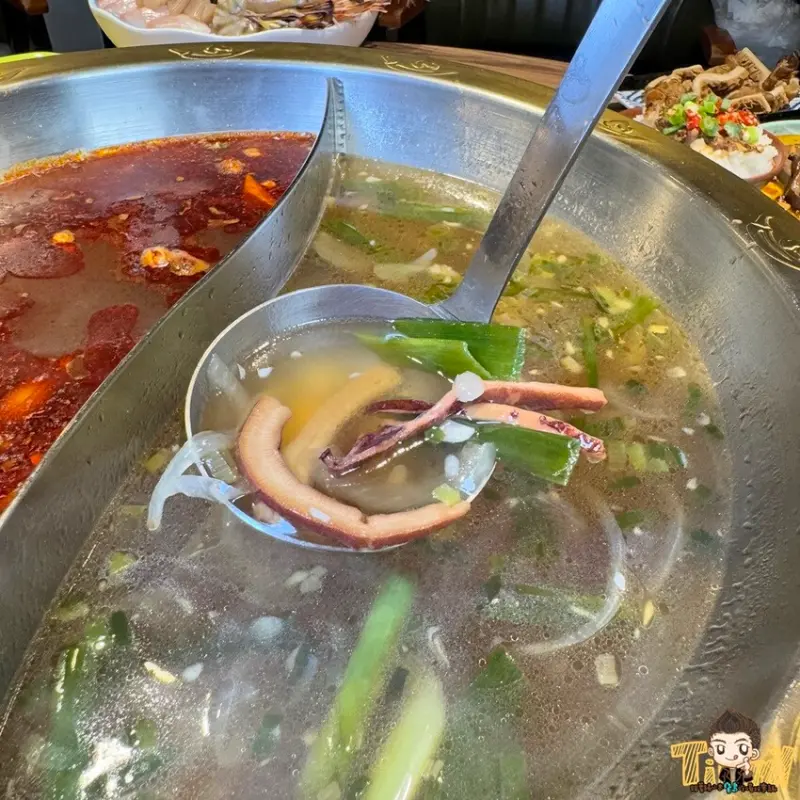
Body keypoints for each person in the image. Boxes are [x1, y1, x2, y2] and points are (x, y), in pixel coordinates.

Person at [708, 709, 761, 787]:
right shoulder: (724, 771)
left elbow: (748, 780)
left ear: (754, 753)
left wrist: (746, 770)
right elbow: (722, 782)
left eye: (742, 749)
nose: (731, 755)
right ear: (711, 752)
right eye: (720, 749)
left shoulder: (743, 770)